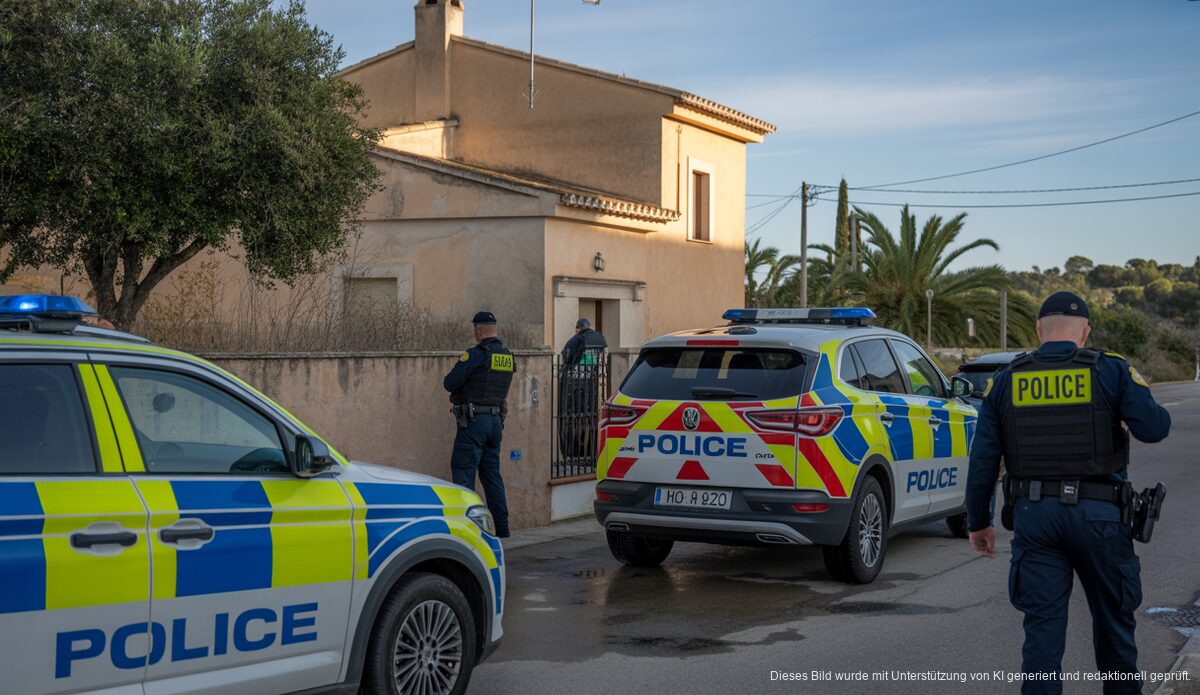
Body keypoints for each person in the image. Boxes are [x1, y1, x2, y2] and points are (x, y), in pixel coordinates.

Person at [965, 291, 1171, 695]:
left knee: (1041, 637)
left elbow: (983, 459)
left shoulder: (1007, 380)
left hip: (1036, 519)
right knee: (1115, 631)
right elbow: (1156, 428)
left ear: (1039, 329)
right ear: (1086, 331)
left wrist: (978, 522)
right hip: (1102, 519)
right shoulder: (1110, 370)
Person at [443, 311, 516, 537]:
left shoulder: (476, 354)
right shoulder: (507, 355)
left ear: (478, 329)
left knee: (464, 472)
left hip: (475, 422)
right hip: (495, 423)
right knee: (492, 477)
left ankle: (468, 528)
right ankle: (502, 528)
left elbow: (450, 382)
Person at [558, 318, 607, 461]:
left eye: (576, 329)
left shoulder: (576, 339)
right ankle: (591, 451)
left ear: (578, 328)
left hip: (573, 383)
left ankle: (572, 452)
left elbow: (566, 357)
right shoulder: (599, 339)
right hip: (591, 383)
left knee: (571, 417)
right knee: (590, 416)